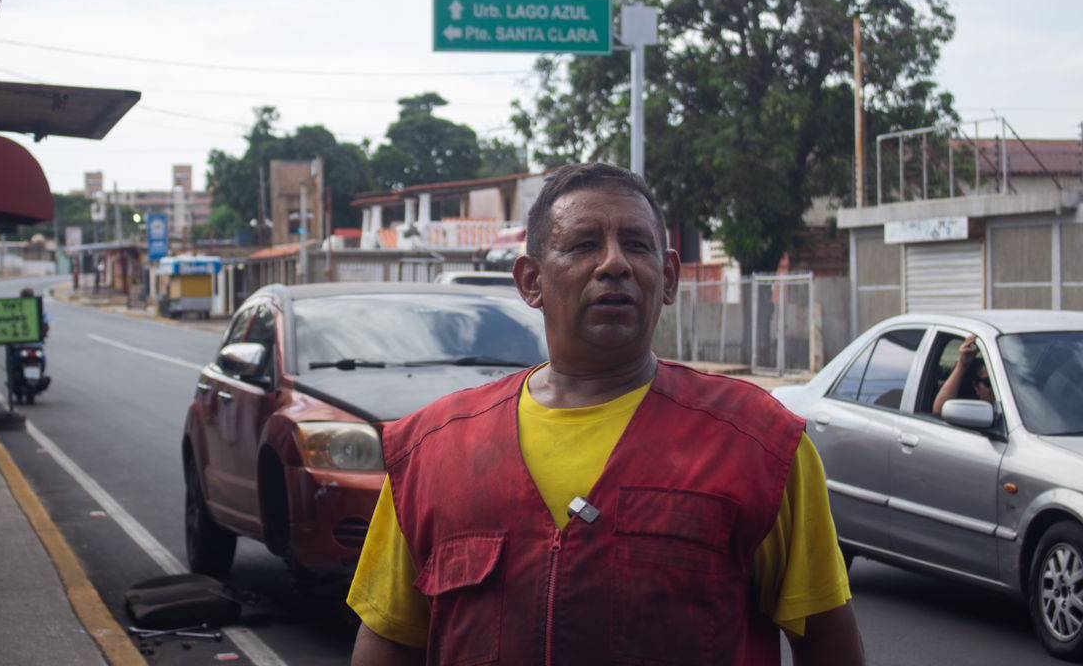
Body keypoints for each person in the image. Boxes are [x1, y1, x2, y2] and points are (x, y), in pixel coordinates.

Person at [347, 163, 864, 665]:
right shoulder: (433, 451)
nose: (614, 263)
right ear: (531, 281)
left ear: (667, 278)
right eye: (584, 244)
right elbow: (391, 642)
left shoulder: (762, 444)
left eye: (636, 245)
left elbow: (827, 642)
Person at [932, 335, 995, 417]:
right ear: (976, 387)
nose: (995, 389)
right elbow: (940, 412)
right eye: (989, 383)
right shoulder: (969, 410)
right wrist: (962, 365)